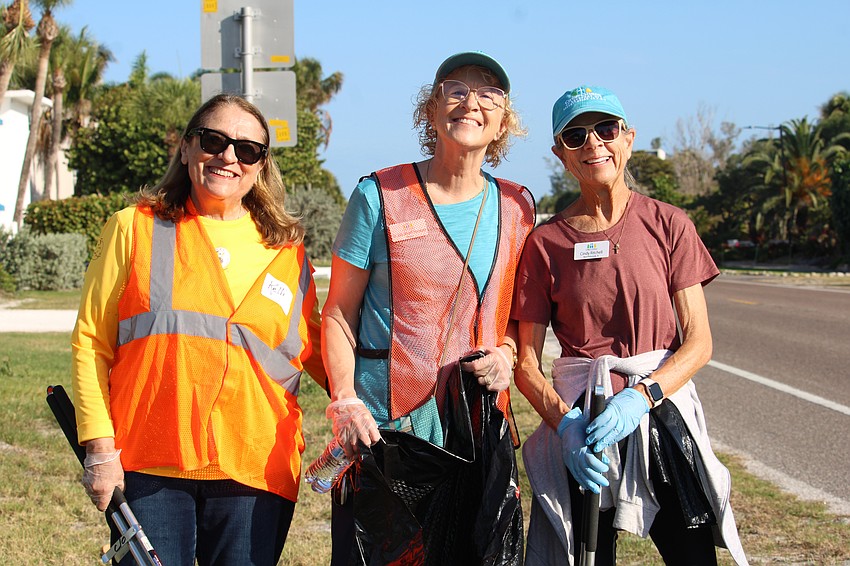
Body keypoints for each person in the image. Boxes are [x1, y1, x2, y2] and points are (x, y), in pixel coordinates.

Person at [71, 93, 327, 566]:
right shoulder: (133, 229)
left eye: (248, 149)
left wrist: (375, 404)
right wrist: (100, 447)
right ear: (187, 147)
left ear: (261, 165)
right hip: (150, 460)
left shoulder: (286, 251)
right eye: (214, 140)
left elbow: (315, 350)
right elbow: (91, 342)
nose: (229, 156)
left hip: (256, 463)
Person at [512, 86, 749, 565]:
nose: (594, 143)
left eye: (606, 128)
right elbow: (525, 364)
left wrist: (641, 398)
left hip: (658, 411)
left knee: (692, 552)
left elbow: (698, 343)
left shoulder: (670, 225)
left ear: (629, 137)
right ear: (560, 154)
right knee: (585, 557)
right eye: (576, 135)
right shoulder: (544, 244)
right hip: (584, 421)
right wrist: (565, 425)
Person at [321, 51, 535, 564]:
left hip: (476, 435)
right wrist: (345, 398)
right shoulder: (378, 195)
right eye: (455, 89)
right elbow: (337, 312)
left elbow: (516, 322)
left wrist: (507, 353)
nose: (471, 102)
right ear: (431, 109)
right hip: (385, 436)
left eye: (489, 94)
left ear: (504, 120)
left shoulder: (518, 206)